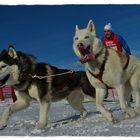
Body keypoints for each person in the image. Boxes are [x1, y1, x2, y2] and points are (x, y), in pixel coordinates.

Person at [102, 23, 133, 102]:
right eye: (105, 31)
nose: (106, 33)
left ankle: (129, 95)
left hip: (120, 59)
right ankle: (104, 93)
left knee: (123, 76)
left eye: (108, 31)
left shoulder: (118, 37)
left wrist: (129, 56)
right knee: (103, 73)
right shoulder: (103, 39)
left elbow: (126, 47)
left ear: (111, 31)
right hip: (109, 60)